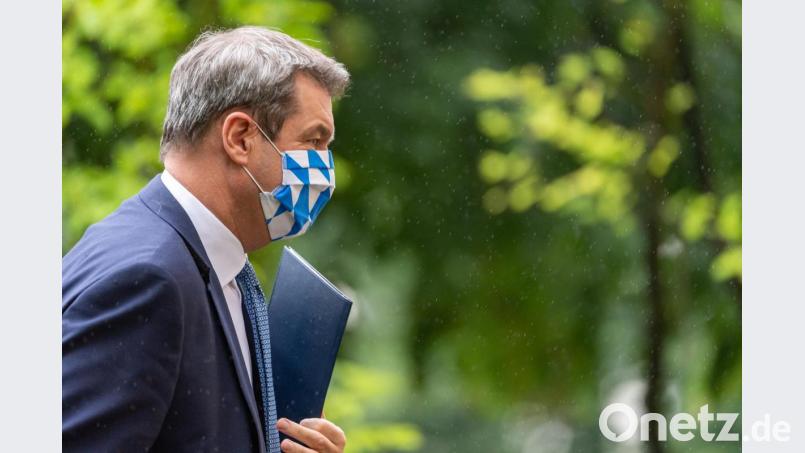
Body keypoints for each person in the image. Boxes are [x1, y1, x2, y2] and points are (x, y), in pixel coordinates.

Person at [62, 26, 350, 453]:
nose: (324, 167)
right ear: (240, 138)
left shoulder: (216, 268)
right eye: (313, 141)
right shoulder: (147, 277)